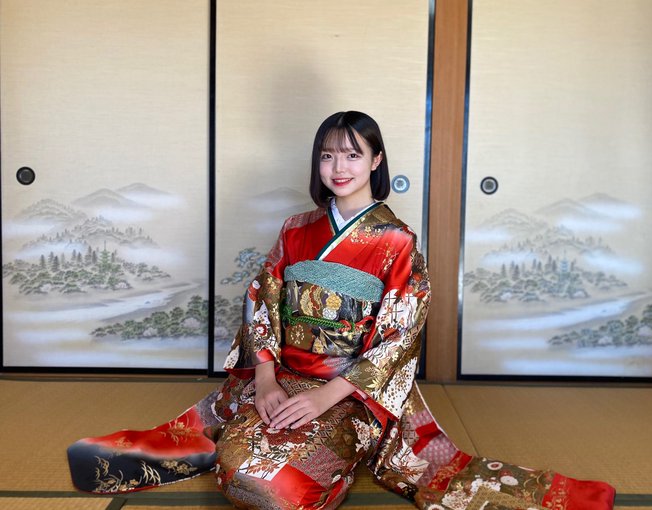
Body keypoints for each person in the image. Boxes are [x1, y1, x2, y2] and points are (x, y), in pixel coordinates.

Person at [68, 111, 615, 509]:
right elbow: (261, 300)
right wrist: (265, 381)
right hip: (281, 378)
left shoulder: (397, 242)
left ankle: (336, 467)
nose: (339, 166)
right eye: (328, 155)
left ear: (376, 161)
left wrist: (326, 397)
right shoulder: (295, 229)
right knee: (239, 472)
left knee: (276, 489)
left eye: (353, 154)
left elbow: (399, 338)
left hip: (349, 394)